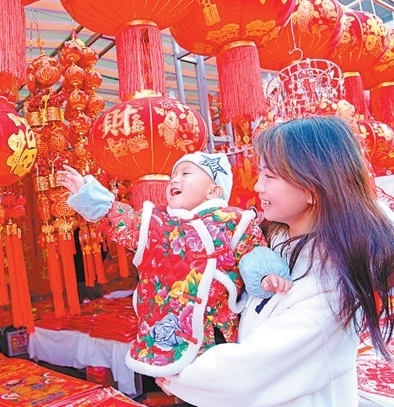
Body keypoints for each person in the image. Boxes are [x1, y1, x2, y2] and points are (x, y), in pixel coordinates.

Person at [154, 116, 394, 407]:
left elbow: (250, 372)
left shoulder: (331, 286)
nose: (258, 187)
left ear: (313, 187)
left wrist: (176, 371)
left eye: (270, 176)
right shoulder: (271, 243)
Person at [57, 151, 292, 378]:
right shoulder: (157, 221)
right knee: (176, 383)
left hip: (215, 328)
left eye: (185, 173)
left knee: (217, 384)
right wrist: (87, 193)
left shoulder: (234, 220)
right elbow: (120, 219)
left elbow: (252, 252)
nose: (175, 180)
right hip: (167, 329)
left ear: (213, 191)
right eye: (173, 176)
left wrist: (266, 275)